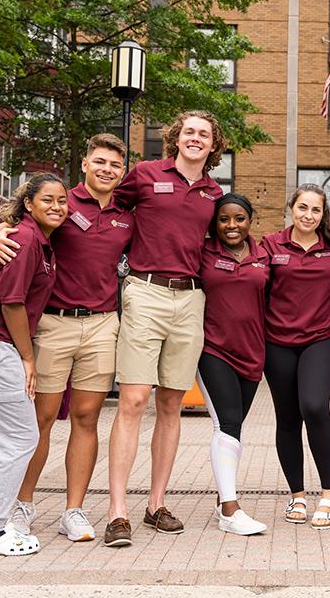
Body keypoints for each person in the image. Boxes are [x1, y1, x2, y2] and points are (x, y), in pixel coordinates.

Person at [0, 134, 132, 542]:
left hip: (103, 325)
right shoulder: (62, 204)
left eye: (115, 165)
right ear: (84, 164)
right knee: (41, 420)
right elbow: (21, 224)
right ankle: (22, 505)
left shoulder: (127, 213)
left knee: (87, 418)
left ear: (123, 173)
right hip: (53, 324)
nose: (107, 170)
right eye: (99, 161)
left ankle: (74, 511)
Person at [104, 110, 226, 546]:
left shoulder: (214, 193)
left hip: (191, 299)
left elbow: (229, 243)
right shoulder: (144, 174)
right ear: (176, 137)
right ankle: (117, 512)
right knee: (134, 400)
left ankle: (156, 504)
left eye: (204, 135)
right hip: (146, 290)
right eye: (189, 132)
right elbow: (103, 206)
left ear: (213, 146)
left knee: (172, 404)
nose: (196, 139)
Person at [0, 173, 68, 556]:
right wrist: (27, 357)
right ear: (28, 205)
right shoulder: (23, 239)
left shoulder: (34, 239)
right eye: (48, 200)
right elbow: (12, 302)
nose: (57, 206)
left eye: (62, 201)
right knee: (21, 439)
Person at [260, 184, 330, 529]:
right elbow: (259, 288)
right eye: (303, 208)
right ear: (291, 208)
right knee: (288, 418)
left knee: (314, 407)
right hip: (277, 342)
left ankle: (328, 494)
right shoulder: (271, 245)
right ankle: (297, 494)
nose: (308, 215)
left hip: (319, 341)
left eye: (316, 210)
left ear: (323, 215)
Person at [197, 193, 270, 536]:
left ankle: (221, 498)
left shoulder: (264, 255)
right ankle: (230, 508)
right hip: (213, 350)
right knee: (226, 423)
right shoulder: (202, 252)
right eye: (224, 219)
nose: (231, 225)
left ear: (250, 220)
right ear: (214, 223)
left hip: (252, 352)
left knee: (235, 428)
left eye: (239, 218)